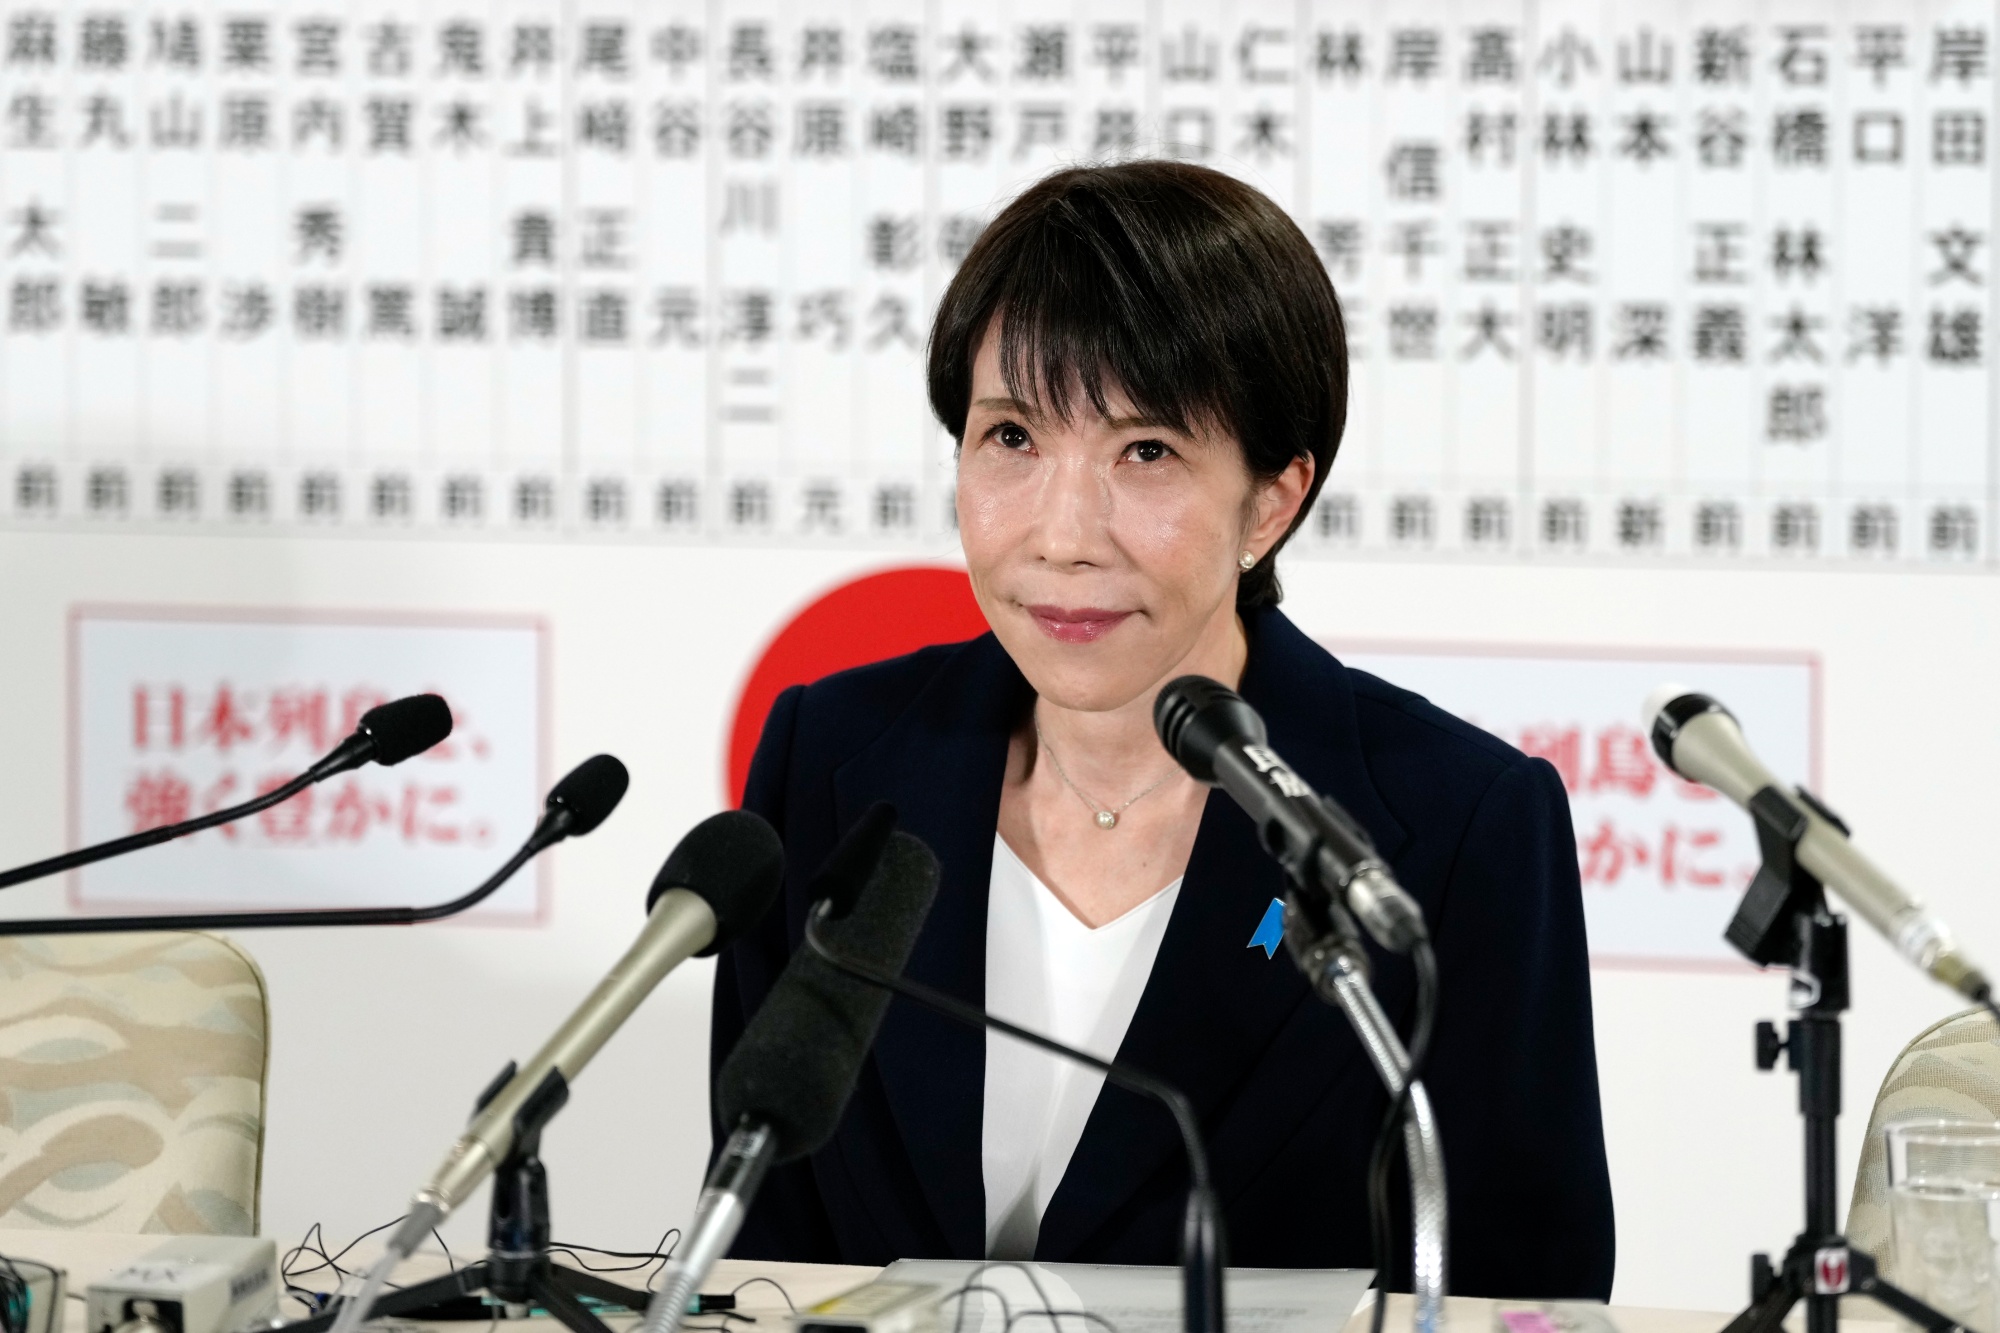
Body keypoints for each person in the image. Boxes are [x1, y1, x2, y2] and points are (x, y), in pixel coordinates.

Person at [713, 160, 1614, 1300]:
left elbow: (1523, 1292)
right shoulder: (829, 759)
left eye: (1145, 451)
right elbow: (759, 1249)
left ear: (1272, 499)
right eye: (1011, 439)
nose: (1062, 533)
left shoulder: (1448, 825)